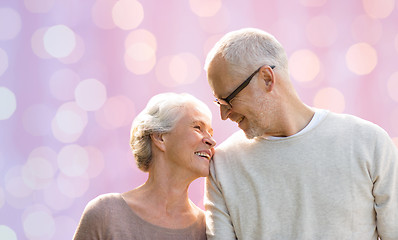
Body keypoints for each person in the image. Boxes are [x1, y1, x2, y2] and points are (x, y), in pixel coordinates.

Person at [203, 28, 398, 240]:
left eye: (228, 99)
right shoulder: (222, 165)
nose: (223, 115)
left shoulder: (368, 143)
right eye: (218, 103)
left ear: (267, 78)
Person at [73, 92, 216, 240]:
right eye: (198, 127)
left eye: (211, 133)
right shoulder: (105, 214)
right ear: (160, 137)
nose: (211, 141)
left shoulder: (209, 230)